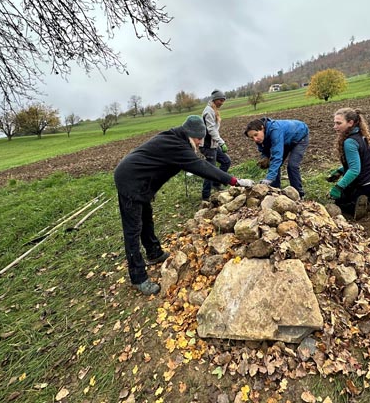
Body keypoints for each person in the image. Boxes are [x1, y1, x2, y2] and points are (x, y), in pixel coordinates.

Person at [114, 115, 254, 296]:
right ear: (190, 134)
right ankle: (138, 277)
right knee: (133, 230)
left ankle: (154, 253)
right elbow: (202, 167)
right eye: (198, 139)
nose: (200, 142)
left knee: (146, 219)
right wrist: (234, 181)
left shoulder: (176, 137)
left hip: (141, 181)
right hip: (130, 181)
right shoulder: (177, 146)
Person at [328, 108, 370, 220]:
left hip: (365, 184)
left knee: (340, 202)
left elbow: (355, 170)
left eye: (339, 123)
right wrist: (341, 170)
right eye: (335, 123)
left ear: (350, 123)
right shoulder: (362, 135)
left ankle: (364, 204)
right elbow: (363, 160)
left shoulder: (349, 142)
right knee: (348, 193)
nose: (335, 127)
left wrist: (338, 187)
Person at [244, 117, 309, 197]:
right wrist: (265, 158)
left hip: (299, 137)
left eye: (256, 135)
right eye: (251, 138)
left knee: (292, 166)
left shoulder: (275, 130)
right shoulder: (259, 138)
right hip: (285, 140)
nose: (255, 139)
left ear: (262, 128)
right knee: (273, 163)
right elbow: (264, 150)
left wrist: (269, 178)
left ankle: (298, 194)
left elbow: (277, 156)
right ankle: (275, 190)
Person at [200, 90, 231, 200]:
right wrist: (221, 142)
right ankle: (205, 196)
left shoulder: (214, 109)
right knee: (210, 170)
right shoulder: (208, 111)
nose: (222, 102)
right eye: (220, 100)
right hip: (207, 145)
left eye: (223, 100)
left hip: (213, 144)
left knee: (226, 161)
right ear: (214, 99)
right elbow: (211, 130)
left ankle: (216, 183)